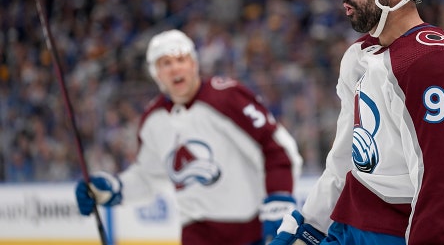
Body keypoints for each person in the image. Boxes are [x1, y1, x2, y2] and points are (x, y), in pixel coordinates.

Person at [272, 0, 444, 245]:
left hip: (398, 234)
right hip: (349, 226)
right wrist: (311, 224)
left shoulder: (434, 63)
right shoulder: (360, 56)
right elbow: (347, 156)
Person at [75, 29, 303, 245]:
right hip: (196, 235)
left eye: (181, 60)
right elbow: (149, 177)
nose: (175, 69)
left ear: (193, 64)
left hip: (251, 231)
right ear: (156, 73)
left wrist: (279, 196)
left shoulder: (227, 98)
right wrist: (114, 189)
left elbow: (277, 149)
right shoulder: (153, 120)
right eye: (166, 63)